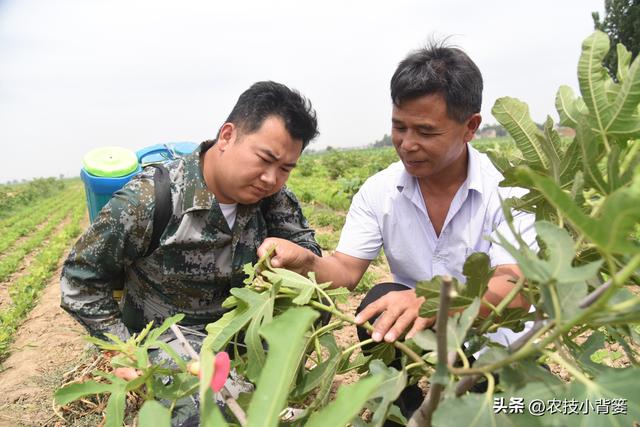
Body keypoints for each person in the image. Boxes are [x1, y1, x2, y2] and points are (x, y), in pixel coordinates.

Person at [257, 44, 536, 420]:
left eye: (425, 131)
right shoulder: (379, 191)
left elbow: (515, 290)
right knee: (380, 301)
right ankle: (404, 409)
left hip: (494, 347)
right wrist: (305, 259)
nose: (407, 144)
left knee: (527, 409)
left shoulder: (509, 192)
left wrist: (437, 301)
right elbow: (346, 270)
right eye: (398, 126)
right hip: (416, 342)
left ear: (470, 127)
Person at [61, 80, 321, 342]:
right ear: (227, 136)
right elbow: (80, 280)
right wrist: (123, 351)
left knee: (313, 316)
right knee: (212, 383)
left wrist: (296, 259)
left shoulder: (273, 198)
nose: (271, 179)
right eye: (265, 159)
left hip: (245, 336)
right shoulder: (149, 198)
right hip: (169, 343)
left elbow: (309, 259)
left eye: (285, 169)